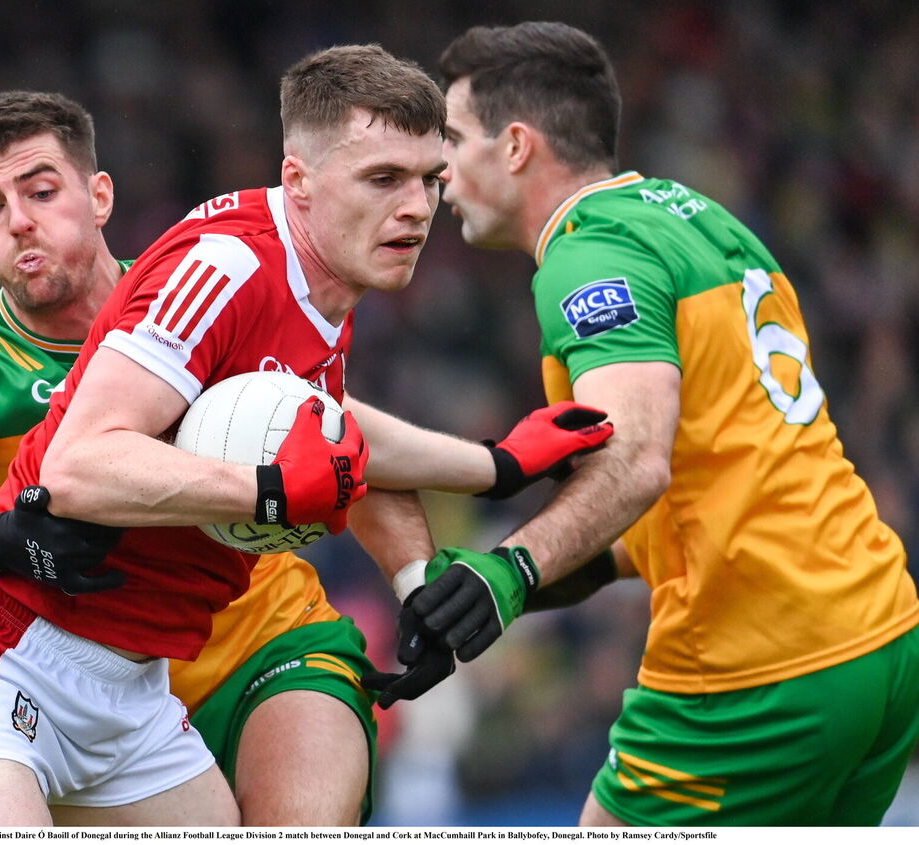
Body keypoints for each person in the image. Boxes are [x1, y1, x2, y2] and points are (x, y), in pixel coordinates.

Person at [0, 65, 610, 826]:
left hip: (163, 675)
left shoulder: (289, 281)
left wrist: (494, 469)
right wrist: (0, 536)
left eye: (41, 191)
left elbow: (329, 433)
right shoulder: (197, 279)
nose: (419, 208)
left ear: (99, 197)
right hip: (7, 653)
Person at [385, 21, 919, 826]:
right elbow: (717, 471)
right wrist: (504, 584)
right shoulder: (704, 221)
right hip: (878, 630)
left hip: (759, 664)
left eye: (454, 140)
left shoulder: (589, 250)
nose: (440, 171)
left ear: (518, 146)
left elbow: (636, 462)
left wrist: (512, 570)